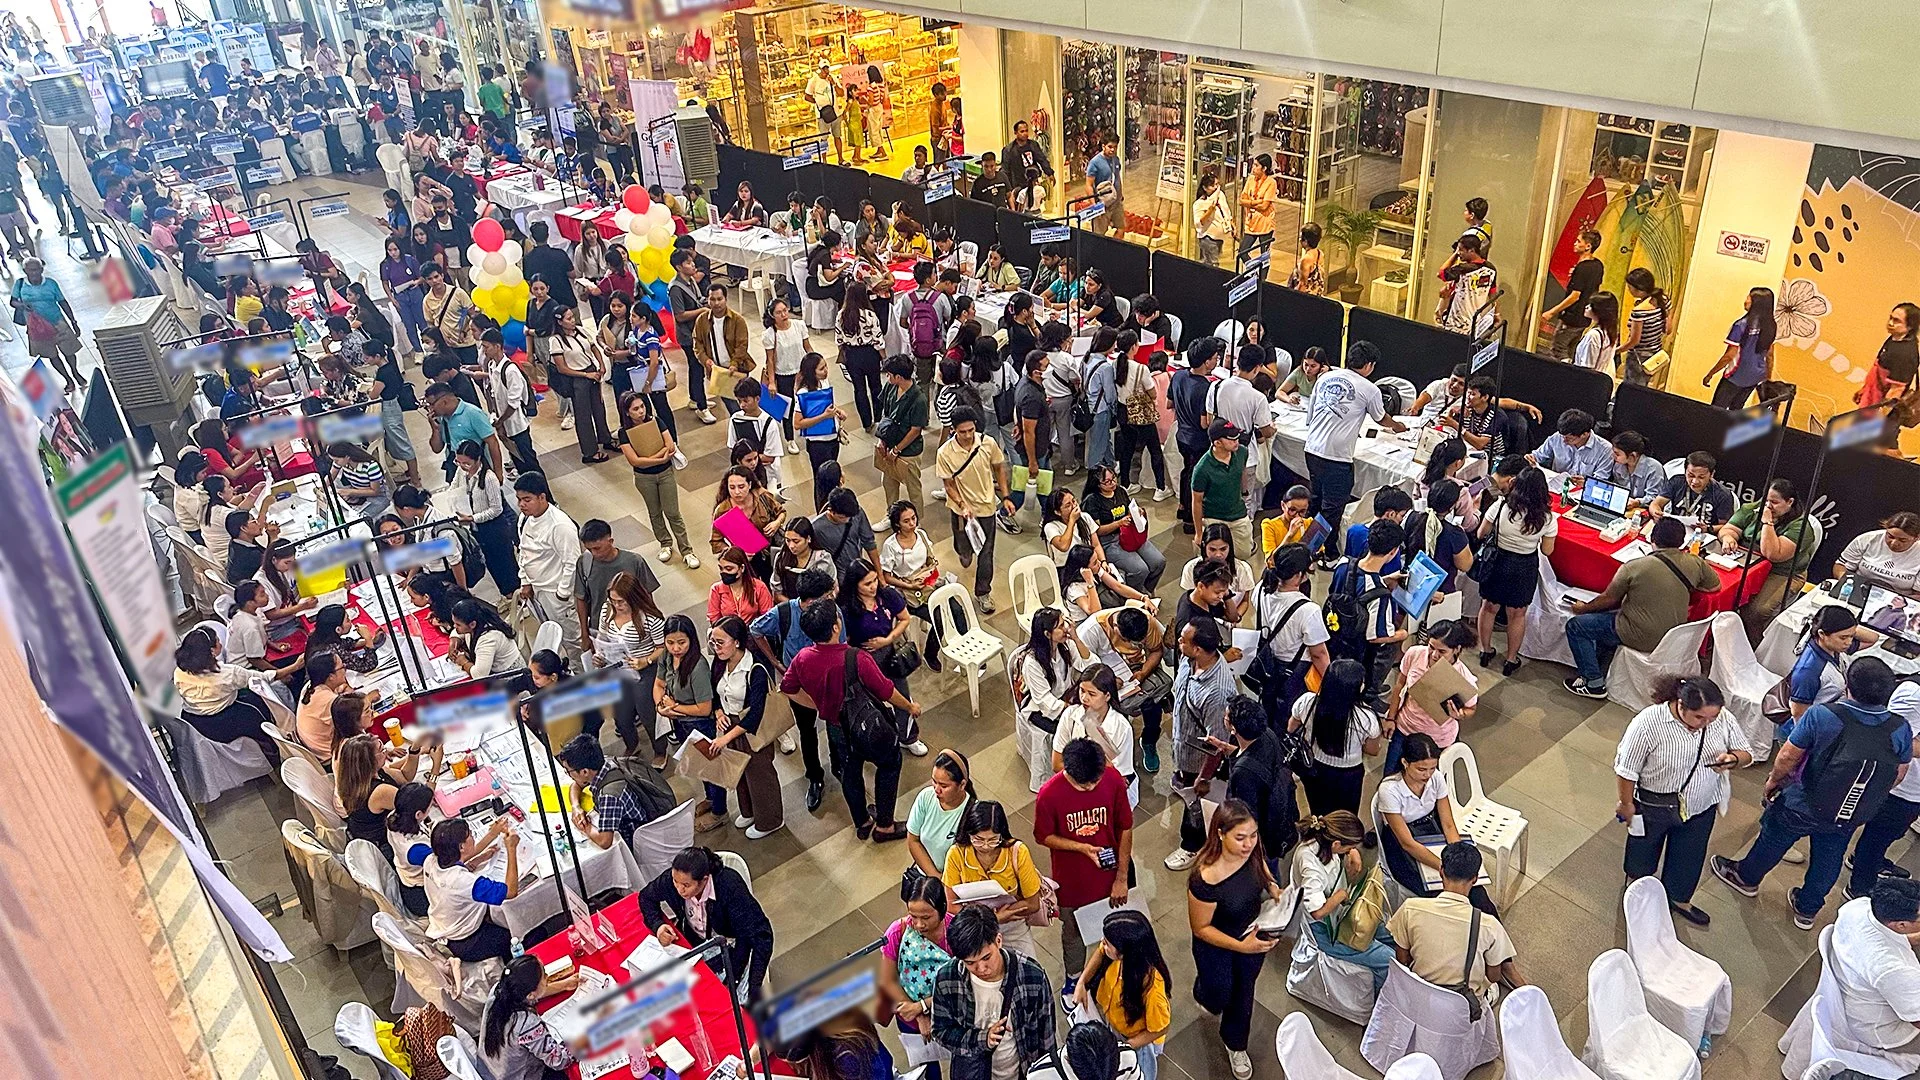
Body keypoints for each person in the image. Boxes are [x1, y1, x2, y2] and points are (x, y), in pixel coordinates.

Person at [1712, 657, 1910, 930]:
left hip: (1803, 800)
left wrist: (1774, 781)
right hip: (1850, 811)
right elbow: (1899, 772)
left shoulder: (1824, 715)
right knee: (1830, 856)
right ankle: (1807, 908)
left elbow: (1789, 755)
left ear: (1848, 687)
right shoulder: (1899, 728)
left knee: (1773, 838)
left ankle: (1745, 878)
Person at [1613, 675, 1752, 927]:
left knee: (1690, 855)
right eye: (1699, 717)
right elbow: (1626, 770)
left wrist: (1732, 759)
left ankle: (1678, 899)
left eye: (1711, 718)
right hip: (1653, 804)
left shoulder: (1721, 719)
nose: (1706, 723)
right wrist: (1626, 804)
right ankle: (1637, 892)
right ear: (1680, 704)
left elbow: (1746, 753)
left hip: (1701, 804)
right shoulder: (1648, 723)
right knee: (1643, 850)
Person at [782, 599, 922, 841]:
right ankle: (885, 826)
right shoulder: (855, 658)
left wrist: (817, 705)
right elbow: (886, 690)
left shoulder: (803, 658)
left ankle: (863, 822)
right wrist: (910, 707)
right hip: (868, 725)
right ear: (836, 627)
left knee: (849, 772)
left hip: (837, 728)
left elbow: (788, 687)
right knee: (890, 764)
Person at [1564, 516, 1719, 699]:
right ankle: (1601, 662)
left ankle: (1593, 682)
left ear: (1653, 539)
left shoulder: (1634, 566)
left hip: (1639, 634)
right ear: (1681, 541)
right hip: (1674, 637)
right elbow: (1715, 586)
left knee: (1576, 626)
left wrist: (1582, 608)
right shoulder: (1695, 563)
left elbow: (1608, 599)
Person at [1185, 800, 1283, 1080]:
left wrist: (1272, 886)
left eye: (1253, 835)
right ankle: (1204, 991)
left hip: (1251, 932)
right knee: (1218, 992)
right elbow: (1201, 927)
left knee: (1243, 993)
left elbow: (1261, 866)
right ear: (1220, 834)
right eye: (1240, 838)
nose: (1248, 844)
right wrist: (1240, 946)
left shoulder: (1251, 851)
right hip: (1216, 944)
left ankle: (1235, 1043)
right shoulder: (1205, 878)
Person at [1036, 737, 1135, 979]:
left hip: (1111, 874)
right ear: (1067, 770)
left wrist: (1121, 877)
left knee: (1120, 925)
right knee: (1073, 931)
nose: (1091, 787)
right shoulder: (1049, 795)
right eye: (1084, 785)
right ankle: (1074, 976)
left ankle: (1116, 971)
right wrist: (1081, 848)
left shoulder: (1112, 780)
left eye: (1095, 781)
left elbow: (1125, 827)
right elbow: (1044, 836)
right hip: (1072, 882)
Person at [1386, 841, 1522, 1009]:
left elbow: (1403, 958)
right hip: (1460, 1006)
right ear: (1475, 879)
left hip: (1419, 998)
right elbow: (1494, 976)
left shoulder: (1410, 908)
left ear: (1441, 871)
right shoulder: (1489, 926)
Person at [930, 903, 1057, 1080]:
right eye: (970, 963)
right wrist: (983, 1038)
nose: (981, 968)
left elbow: (1046, 1038)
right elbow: (941, 1031)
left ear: (998, 940)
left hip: (1022, 1072)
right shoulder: (947, 978)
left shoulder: (1031, 977)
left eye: (986, 957)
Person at [1376, 733, 1500, 914]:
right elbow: (1407, 843)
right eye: (1421, 769)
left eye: (1432, 768)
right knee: (1442, 896)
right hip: (1403, 844)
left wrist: (1457, 859)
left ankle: (1491, 934)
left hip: (1430, 829)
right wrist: (1444, 867)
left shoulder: (1436, 778)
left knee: (1477, 893)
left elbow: (1448, 824)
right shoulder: (1389, 790)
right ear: (1405, 763)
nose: (1427, 774)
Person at [1305, 341, 1404, 564]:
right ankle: (1317, 552)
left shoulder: (1325, 378)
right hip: (1336, 457)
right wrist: (1398, 426)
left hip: (1312, 449)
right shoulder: (1369, 389)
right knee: (1332, 509)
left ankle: (1308, 543)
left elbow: (1310, 416)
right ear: (1369, 365)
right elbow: (1381, 418)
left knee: (1317, 501)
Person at [639, 846, 774, 1001]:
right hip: (696, 941)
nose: (679, 889)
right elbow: (645, 897)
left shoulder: (729, 886)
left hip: (734, 944)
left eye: (686, 885)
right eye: (676, 881)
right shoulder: (674, 881)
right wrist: (658, 926)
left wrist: (736, 981)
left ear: (704, 880)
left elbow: (758, 935)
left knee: (733, 1003)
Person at [1162, 620, 1238, 872]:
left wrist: (1204, 777)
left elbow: (1216, 743)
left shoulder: (1217, 692)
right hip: (1182, 746)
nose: (1178, 642)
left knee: (1196, 802)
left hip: (1198, 761)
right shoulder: (1188, 660)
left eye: (1183, 640)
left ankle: (1192, 845)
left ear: (1198, 649)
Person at [1474, 464, 1556, 676]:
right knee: (1517, 615)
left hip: (1498, 561)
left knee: (1489, 607)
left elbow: (1481, 533)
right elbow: (1547, 551)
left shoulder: (1501, 506)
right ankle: (1511, 660)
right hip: (1524, 566)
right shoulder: (1546, 518)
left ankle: (1485, 650)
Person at [1828, 879, 1920, 1067]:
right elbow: (1917, 1019)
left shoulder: (1857, 907)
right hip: (1880, 1032)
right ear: (1901, 925)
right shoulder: (1896, 970)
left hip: (1851, 993)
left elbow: (1879, 942)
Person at [937, 408, 1016, 612]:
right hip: (961, 511)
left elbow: (999, 468)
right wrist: (962, 505)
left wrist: (1005, 497)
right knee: (963, 548)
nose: (968, 435)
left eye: (971, 430)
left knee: (987, 552)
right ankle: (965, 551)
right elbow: (948, 485)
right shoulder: (945, 453)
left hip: (987, 508)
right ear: (953, 430)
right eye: (962, 432)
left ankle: (983, 592)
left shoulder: (987, 443)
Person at [943, 800, 1045, 956]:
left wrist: (1004, 916)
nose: (985, 846)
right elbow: (951, 905)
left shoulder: (1017, 852)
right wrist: (993, 918)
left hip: (1013, 926)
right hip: (974, 929)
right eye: (978, 839)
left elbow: (1033, 903)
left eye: (992, 840)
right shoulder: (956, 854)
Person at [1719, 477, 1816, 637]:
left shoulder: (1801, 527)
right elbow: (1728, 529)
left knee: (1755, 610)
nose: (1768, 506)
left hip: (1782, 572)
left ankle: (1754, 643)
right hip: (1748, 563)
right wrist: (1729, 537)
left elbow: (1773, 554)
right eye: (1766, 500)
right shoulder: (1752, 509)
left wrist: (1767, 523)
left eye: (1775, 502)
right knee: (1725, 592)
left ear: (1790, 502)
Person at [613, 392, 698, 568]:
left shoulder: (656, 421)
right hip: (644, 478)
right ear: (627, 412)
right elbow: (634, 461)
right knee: (655, 512)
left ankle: (687, 550)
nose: (641, 411)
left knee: (673, 513)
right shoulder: (624, 433)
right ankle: (665, 543)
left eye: (642, 406)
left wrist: (651, 460)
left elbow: (670, 445)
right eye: (635, 409)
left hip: (665, 473)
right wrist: (659, 457)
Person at [171, 627, 281, 763]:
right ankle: (274, 749)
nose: (221, 644)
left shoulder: (179, 672)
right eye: (218, 641)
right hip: (222, 723)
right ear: (211, 651)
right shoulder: (227, 673)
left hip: (194, 721)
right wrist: (295, 666)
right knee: (258, 709)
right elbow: (263, 677)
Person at [1290, 657, 1383, 816]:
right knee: (1345, 816)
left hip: (1314, 767)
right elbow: (1372, 750)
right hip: (1348, 774)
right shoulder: (1366, 718)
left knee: (1318, 811)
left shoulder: (1307, 701)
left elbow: (1292, 728)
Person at [1383, 620, 1478, 774]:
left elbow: (1471, 708)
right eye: (1431, 647)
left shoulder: (1463, 678)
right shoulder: (1415, 654)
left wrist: (1459, 715)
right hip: (1406, 728)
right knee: (1390, 776)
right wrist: (1391, 718)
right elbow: (1400, 685)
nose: (1434, 655)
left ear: (1456, 650)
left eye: (1442, 652)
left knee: (1428, 787)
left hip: (1437, 739)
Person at [424, 816, 519, 962]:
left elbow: (461, 859)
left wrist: (488, 842)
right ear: (461, 846)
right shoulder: (464, 882)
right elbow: (511, 891)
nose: (473, 837)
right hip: (468, 940)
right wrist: (511, 849)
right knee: (519, 936)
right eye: (470, 835)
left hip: (445, 924)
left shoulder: (431, 861)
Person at [879, 875, 954, 1056]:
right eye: (914, 916)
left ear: (942, 909)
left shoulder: (956, 930)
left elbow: (964, 979)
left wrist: (922, 1006)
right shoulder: (898, 931)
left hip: (952, 1010)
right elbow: (888, 981)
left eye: (926, 917)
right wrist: (917, 1014)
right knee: (927, 1068)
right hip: (909, 1016)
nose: (919, 924)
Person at [480, 953, 579, 1080]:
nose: (547, 977)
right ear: (530, 994)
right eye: (544, 975)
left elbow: (534, 993)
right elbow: (558, 1061)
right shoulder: (526, 1024)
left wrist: (564, 985)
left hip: (490, 1068)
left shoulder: (499, 990)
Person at [555, 734, 658, 850]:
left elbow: (604, 841)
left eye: (568, 771)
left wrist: (584, 826)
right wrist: (576, 807)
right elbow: (576, 785)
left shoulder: (609, 795)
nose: (568, 775)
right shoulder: (603, 763)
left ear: (584, 772)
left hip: (636, 840)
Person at [513, 472, 581, 629]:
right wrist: (525, 582)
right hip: (536, 590)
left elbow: (572, 563)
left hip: (554, 592)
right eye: (519, 499)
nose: (521, 504)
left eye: (527, 500)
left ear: (542, 497)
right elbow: (524, 552)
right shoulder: (524, 518)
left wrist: (562, 594)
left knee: (571, 638)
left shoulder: (560, 525)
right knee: (548, 630)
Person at [10, 257, 83, 392]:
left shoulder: (51, 284)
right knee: (52, 355)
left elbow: (62, 302)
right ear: (25, 271)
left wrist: (73, 321)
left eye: (37, 269)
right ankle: (68, 379)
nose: (34, 273)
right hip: (37, 327)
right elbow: (13, 301)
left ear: (42, 269)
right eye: (31, 270)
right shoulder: (20, 284)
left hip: (57, 322)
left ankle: (75, 372)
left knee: (69, 351)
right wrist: (22, 305)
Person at [1704, 286, 1777, 410]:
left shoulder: (1741, 326)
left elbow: (1729, 356)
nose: (1746, 300)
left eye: (1749, 298)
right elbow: (1770, 355)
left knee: (1717, 410)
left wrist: (1710, 374)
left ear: (1756, 304)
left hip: (1735, 376)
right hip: (1755, 376)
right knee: (1737, 408)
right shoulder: (1771, 326)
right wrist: (1767, 377)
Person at [907, 749, 978, 879]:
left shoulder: (973, 813)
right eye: (934, 781)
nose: (936, 790)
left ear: (962, 785)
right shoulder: (925, 797)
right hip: (926, 874)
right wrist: (934, 876)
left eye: (944, 786)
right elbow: (913, 840)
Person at [876, 355, 930, 509]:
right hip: (889, 443)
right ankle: (891, 514)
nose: (887, 377)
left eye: (889, 374)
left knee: (913, 488)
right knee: (888, 482)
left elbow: (915, 430)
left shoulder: (919, 399)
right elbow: (885, 414)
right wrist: (882, 440)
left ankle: (917, 521)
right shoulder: (890, 387)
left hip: (909, 451)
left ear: (898, 377)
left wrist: (896, 450)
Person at [1540, 230, 1603, 360]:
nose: (1575, 244)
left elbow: (1575, 295)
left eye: (1578, 241)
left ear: (1588, 246)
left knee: (1558, 350)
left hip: (1572, 317)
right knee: (1572, 350)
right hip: (1584, 317)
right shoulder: (1598, 266)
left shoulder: (1582, 268)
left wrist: (1552, 312)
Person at [1837, 513, 1920, 594]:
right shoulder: (1867, 539)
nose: (1893, 543)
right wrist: (1849, 584)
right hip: (1857, 591)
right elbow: (1840, 566)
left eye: (1902, 540)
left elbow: (1918, 594)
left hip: (1897, 601)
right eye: (1890, 536)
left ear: (1916, 538)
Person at [1648, 450, 1736, 526]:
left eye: (1701, 477)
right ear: (1685, 471)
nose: (1694, 481)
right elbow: (1655, 504)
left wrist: (1709, 528)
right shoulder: (1677, 481)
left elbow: (1724, 526)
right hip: (1675, 529)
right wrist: (1656, 513)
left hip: (1703, 535)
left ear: (1711, 474)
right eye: (1691, 475)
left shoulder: (1723, 494)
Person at [1860, 303, 1920, 408]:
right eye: (1891, 318)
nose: (1890, 323)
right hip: (1872, 397)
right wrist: (1865, 390)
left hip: (1878, 409)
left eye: (1897, 321)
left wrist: (1878, 421)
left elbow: (1896, 390)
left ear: (1910, 326)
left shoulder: (1905, 354)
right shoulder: (1895, 337)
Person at [450, 598, 525, 678]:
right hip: (494, 671)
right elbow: (457, 632)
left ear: (472, 624)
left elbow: (479, 675)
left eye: (458, 625)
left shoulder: (488, 639)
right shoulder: (477, 622)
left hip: (512, 677)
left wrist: (463, 662)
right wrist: (453, 644)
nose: (455, 626)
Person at [1528, 408, 1614, 477]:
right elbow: (1538, 456)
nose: (1564, 441)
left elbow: (1600, 481)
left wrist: (1586, 484)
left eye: (1569, 438)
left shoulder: (1605, 450)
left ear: (1585, 434)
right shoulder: (1558, 437)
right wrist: (1531, 458)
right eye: (1563, 436)